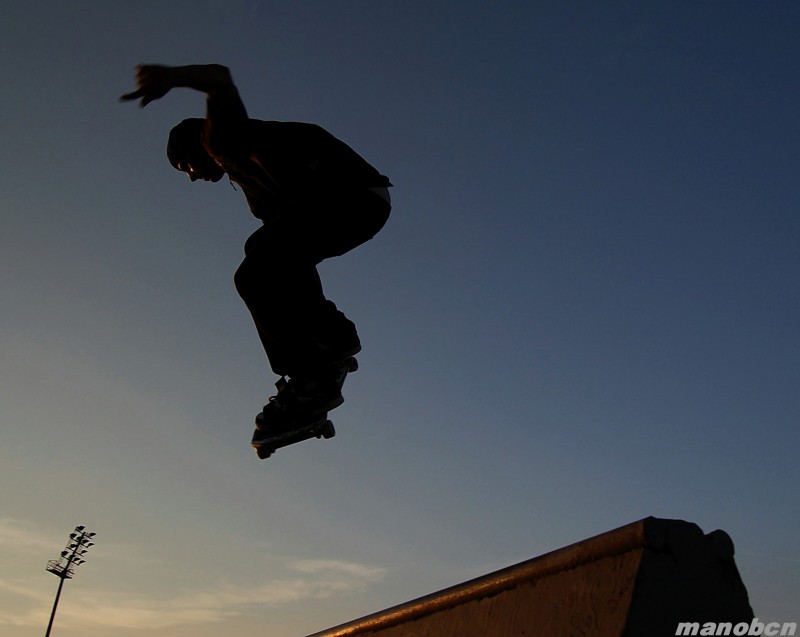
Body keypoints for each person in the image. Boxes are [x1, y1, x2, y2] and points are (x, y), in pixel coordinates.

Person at [121, 64, 391, 433]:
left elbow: (219, 78)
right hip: (360, 204)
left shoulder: (225, 141)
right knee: (270, 256)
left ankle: (309, 377)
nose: (193, 176)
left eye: (185, 166)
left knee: (253, 272)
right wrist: (324, 330)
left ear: (196, 143)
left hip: (352, 196)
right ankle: (331, 338)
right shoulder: (256, 193)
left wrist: (171, 77)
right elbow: (291, 263)